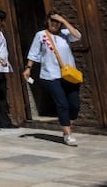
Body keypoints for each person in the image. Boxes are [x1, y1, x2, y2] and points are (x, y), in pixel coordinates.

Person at [25, 12, 83, 146]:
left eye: (58, 22)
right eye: (53, 21)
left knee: (74, 105)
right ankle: (68, 134)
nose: (55, 24)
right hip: (51, 75)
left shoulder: (65, 34)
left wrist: (64, 20)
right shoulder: (41, 35)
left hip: (69, 75)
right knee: (62, 104)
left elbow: (78, 36)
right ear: (47, 21)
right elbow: (33, 53)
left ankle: (67, 126)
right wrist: (28, 68)